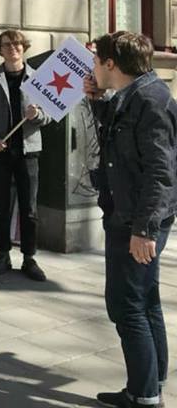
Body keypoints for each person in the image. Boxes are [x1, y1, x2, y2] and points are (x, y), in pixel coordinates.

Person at [85, 32, 177, 408]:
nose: (92, 68)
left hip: (134, 219)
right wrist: (96, 102)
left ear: (111, 64)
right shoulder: (138, 94)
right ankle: (152, 379)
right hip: (130, 213)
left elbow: (160, 171)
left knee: (126, 305)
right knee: (145, 299)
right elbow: (125, 137)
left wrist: (144, 229)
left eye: (97, 61)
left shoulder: (150, 100)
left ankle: (143, 395)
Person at [0, 30, 49, 280]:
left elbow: (48, 115)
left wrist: (36, 115)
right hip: (0, 151)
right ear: (0, 50)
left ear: (24, 47)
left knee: (29, 208)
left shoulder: (38, 79)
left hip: (28, 151)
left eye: (16, 44)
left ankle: (29, 257)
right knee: (1, 205)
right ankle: (3, 254)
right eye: (7, 45)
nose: (13, 48)